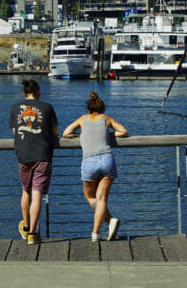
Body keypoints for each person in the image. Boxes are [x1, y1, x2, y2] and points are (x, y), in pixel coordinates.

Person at [62, 91, 128, 241]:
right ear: (103, 108)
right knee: (102, 198)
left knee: (90, 197)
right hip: (107, 159)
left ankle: (110, 221)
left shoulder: (82, 119)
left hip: (89, 161)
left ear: (88, 108)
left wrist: (81, 136)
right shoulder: (106, 119)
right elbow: (123, 131)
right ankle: (96, 233)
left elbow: (66, 133)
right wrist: (109, 135)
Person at [9, 78, 59, 245]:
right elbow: (56, 133)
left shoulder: (15, 108)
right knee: (37, 193)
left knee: (26, 191)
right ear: (38, 92)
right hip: (43, 154)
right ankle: (32, 234)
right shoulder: (48, 107)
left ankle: (26, 226)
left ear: (24, 93)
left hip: (23, 154)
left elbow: (15, 131)